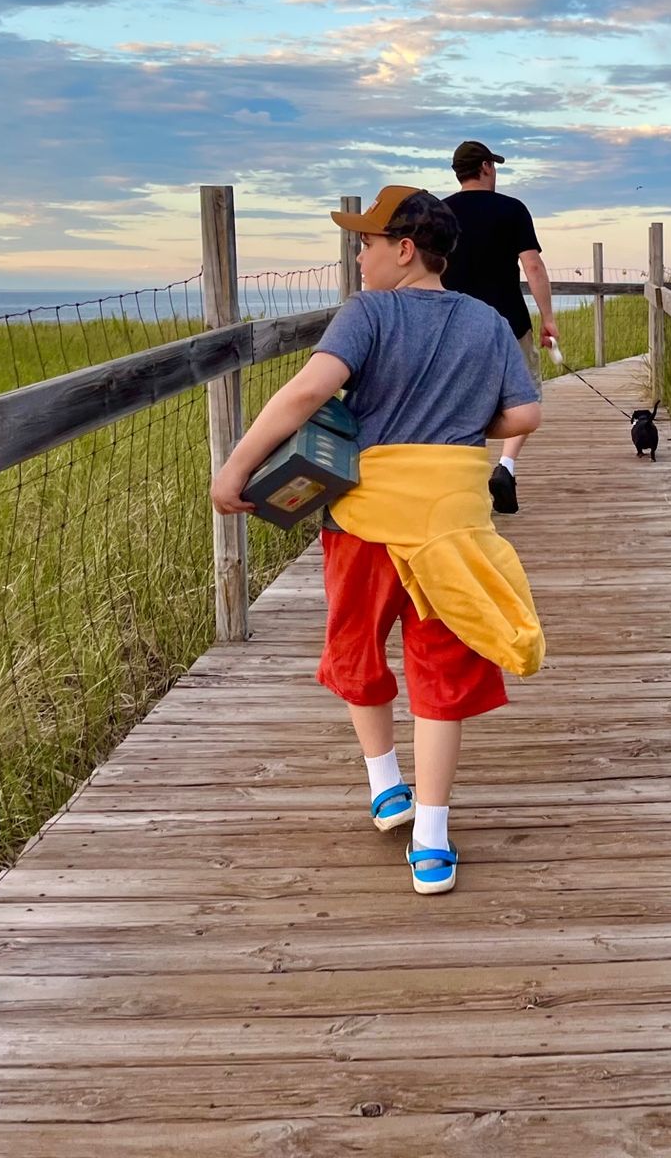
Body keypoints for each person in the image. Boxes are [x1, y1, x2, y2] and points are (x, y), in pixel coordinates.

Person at [211, 186, 544, 896]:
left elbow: (307, 392)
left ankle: (384, 782)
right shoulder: (486, 322)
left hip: (365, 522)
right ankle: (430, 836)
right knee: (442, 673)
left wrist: (237, 466)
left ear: (403, 249)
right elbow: (524, 412)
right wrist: (452, 433)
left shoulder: (368, 313)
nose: (357, 257)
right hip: (452, 523)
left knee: (356, 646)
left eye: (365, 244)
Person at [441, 139, 555, 515]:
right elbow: (533, 266)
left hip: (454, 323)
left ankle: (463, 480)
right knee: (523, 397)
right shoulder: (512, 209)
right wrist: (547, 319)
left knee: (458, 398)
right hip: (508, 321)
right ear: (486, 167)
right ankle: (505, 466)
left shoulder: (440, 213)